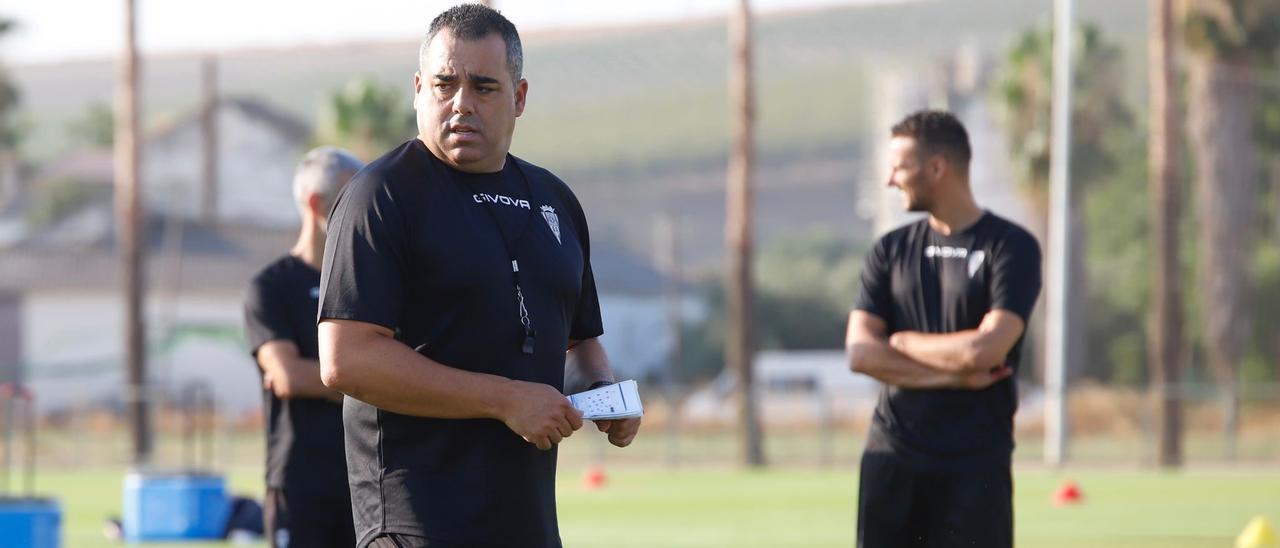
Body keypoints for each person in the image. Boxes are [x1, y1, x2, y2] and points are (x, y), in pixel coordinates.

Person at [316, 5, 640, 547]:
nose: (461, 104)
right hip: (415, 527)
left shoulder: (554, 202)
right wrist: (506, 398)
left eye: (483, 87)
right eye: (445, 84)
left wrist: (605, 396)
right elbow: (346, 359)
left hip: (528, 526)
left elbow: (580, 343)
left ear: (519, 97)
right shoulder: (382, 197)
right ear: (419, 89)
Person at [845, 110, 1042, 548]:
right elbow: (860, 353)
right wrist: (952, 375)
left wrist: (904, 342)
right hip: (892, 459)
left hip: (975, 464)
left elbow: (985, 351)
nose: (890, 180)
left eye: (900, 167)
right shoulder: (890, 251)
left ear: (937, 168)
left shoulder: (1011, 247)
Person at [243, 146, 364, 548]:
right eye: (350, 199)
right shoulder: (271, 286)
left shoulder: (370, 286)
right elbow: (288, 375)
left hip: (367, 478)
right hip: (299, 484)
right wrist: (375, 382)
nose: (362, 212)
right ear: (316, 203)